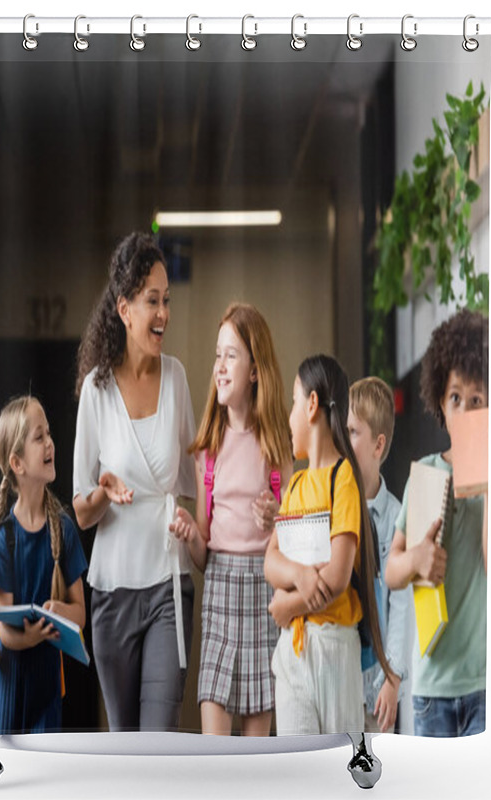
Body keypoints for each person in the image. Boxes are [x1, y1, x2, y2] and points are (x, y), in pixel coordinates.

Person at [72, 232, 196, 732]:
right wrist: (104, 493)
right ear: (124, 309)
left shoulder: (178, 378)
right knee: (124, 742)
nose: (163, 312)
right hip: (112, 593)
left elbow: (191, 485)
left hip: (169, 583)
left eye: (166, 300)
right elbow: (81, 509)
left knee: (159, 740)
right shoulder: (96, 390)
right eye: (152, 301)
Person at [169, 303, 293, 736]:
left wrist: (280, 517)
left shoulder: (278, 449)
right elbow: (203, 555)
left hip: (264, 592)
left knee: (255, 757)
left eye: (232, 356)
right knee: (215, 751)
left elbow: (298, 543)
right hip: (220, 593)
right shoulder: (209, 448)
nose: (219, 367)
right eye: (217, 356)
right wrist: (190, 535)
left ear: (256, 371)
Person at [264, 354, 393, 735]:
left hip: (335, 651)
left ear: (313, 405)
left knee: (338, 773)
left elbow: (338, 575)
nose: (289, 417)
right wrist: (302, 574)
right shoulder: (297, 486)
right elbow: (271, 560)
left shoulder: (344, 480)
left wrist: (287, 602)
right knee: (296, 774)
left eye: (293, 401)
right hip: (292, 651)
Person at [385, 309, 488, 737]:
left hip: (485, 683)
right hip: (432, 690)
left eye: (477, 400)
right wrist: (416, 560)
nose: (464, 410)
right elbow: (391, 571)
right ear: (440, 404)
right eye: (455, 398)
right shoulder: (425, 473)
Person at [0, 396, 87, 734]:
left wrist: (58, 610)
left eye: (49, 434)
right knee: (6, 778)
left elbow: (80, 614)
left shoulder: (64, 529)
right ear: (17, 463)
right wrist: (28, 637)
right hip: (10, 688)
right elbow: (4, 632)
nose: (50, 443)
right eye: (39, 437)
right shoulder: (4, 541)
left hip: (48, 689)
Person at [348, 377, 414, 734]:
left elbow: (402, 603)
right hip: (340, 678)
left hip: (378, 688)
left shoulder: (395, 517)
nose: (345, 440)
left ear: (378, 445)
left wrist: (393, 677)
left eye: (354, 432)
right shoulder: (336, 508)